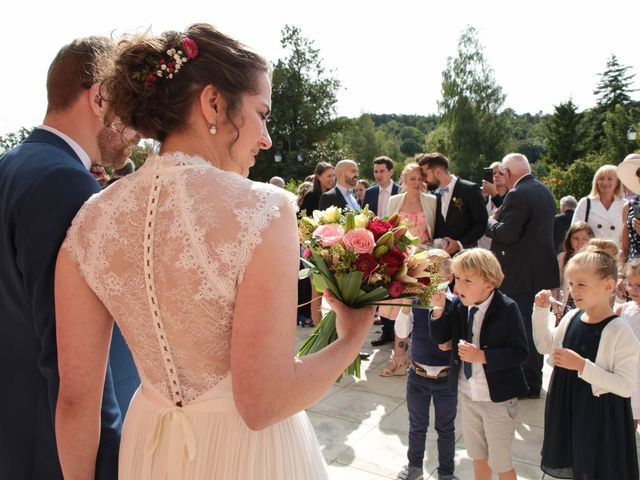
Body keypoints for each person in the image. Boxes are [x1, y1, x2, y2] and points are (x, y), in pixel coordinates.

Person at [53, 24, 375, 479]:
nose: (266, 138)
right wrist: (352, 338)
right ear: (213, 102)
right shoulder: (264, 209)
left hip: (149, 450)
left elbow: (75, 399)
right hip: (249, 457)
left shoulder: (88, 223)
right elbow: (264, 403)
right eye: (262, 113)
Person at [0, 36, 139, 479]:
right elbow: (69, 359)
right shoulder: (64, 182)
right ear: (99, 97)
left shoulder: (14, 162)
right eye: (132, 112)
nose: (138, 132)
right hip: (51, 447)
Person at [533, 239, 639, 479]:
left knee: (597, 467)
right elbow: (545, 347)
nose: (574, 291)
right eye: (571, 284)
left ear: (608, 286)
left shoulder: (619, 330)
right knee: (575, 462)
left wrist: (582, 366)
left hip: (600, 416)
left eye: (581, 284)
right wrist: (540, 312)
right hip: (569, 406)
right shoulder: (571, 317)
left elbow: (626, 385)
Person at [429, 248, 528, 480]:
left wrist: (482, 356)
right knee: (477, 455)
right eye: (457, 279)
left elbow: (519, 352)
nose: (458, 287)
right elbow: (440, 339)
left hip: (497, 400)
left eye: (467, 281)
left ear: (489, 284)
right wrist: (438, 310)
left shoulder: (507, 309)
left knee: (501, 461)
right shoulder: (458, 306)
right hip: (468, 393)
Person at [485, 153, 560, 399]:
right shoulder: (543, 190)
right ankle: (532, 381)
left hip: (520, 274)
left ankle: (527, 383)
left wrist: (490, 223)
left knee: (522, 328)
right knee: (534, 326)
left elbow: (507, 234)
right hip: (539, 273)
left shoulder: (517, 194)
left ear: (508, 173)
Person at [391, 249, 459, 480]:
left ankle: (446, 473)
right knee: (416, 426)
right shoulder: (416, 302)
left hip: (445, 379)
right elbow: (402, 332)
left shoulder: (456, 305)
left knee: (446, 429)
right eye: (423, 271)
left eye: (432, 271)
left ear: (449, 278)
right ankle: (414, 467)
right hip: (417, 376)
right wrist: (405, 307)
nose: (426, 276)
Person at [372, 163, 436, 347]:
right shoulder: (395, 200)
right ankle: (399, 345)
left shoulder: (431, 200)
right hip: (401, 257)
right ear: (404, 180)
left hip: (425, 256)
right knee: (399, 302)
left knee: (421, 301)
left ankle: (420, 342)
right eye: (412, 179)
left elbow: (435, 228)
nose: (416, 182)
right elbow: (388, 227)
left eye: (419, 178)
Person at [417, 152, 487, 256]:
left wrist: (459, 244)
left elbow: (481, 223)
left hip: (465, 256)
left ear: (437, 171)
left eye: (425, 175)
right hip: (439, 259)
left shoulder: (469, 189)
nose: (423, 179)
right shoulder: (434, 194)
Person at [571, 164, 625, 248]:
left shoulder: (624, 204)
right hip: (591, 255)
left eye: (610, 179)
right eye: (601, 179)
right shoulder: (585, 203)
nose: (605, 182)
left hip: (617, 256)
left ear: (617, 182)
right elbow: (574, 231)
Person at [615, 258, 640, 429]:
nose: (633, 290)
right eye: (630, 284)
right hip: (628, 373)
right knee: (628, 418)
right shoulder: (623, 309)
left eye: (639, 286)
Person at [555, 222, 594, 321]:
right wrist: (556, 310)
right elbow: (555, 285)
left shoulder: (594, 261)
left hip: (587, 307)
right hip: (565, 306)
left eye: (585, 239)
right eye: (576, 238)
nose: (580, 242)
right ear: (569, 240)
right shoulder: (562, 258)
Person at [478, 161, 509, 250]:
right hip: (481, 246)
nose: (496, 175)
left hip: (500, 247)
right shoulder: (482, 195)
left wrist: (494, 194)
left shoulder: (512, 196)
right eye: (493, 173)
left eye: (501, 173)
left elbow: (506, 212)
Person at [616, 154, 640, 263]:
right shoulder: (629, 206)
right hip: (633, 273)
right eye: (638, 173)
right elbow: (624, 248)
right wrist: (621, 274)